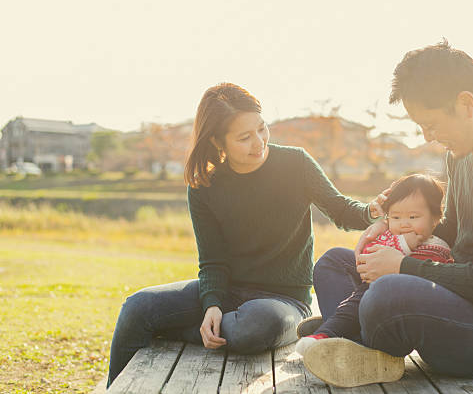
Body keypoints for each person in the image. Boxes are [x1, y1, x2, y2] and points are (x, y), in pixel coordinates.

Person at [302, 40, 473, 388]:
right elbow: (450, 233)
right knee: (334, 263)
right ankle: (352, 335)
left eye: (431, 125)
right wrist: (393, 234)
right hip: (456, 295)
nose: (428, 137)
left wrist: (402, 266)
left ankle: (348, 330)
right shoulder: (461, 155)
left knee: (388, 293)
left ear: (466, 104)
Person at [106, 83, 384, 387]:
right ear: (217, 141)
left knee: (253, 326)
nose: (259, 142)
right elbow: (212, 259)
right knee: (136, 308)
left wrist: (372, 210)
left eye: (262, 129)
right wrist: (212, 304)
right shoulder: (205, 186)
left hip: (283, 302)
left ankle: (186, 328)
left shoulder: (295, 163)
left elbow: (341, 210)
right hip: (228, 291)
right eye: (244, 137)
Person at [296, 174, 452, 356]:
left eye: (413, 216)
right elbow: (369, 254)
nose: (404, 224)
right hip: (370, 295)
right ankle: (337, 333)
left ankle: (331, 331)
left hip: (401, 309)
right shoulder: (390, 236)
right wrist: (388, 228)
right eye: (395, 217)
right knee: (346, 277)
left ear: (435, 218)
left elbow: (440, 276)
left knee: (371, 294)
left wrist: (405, 249)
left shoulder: (439, 246)